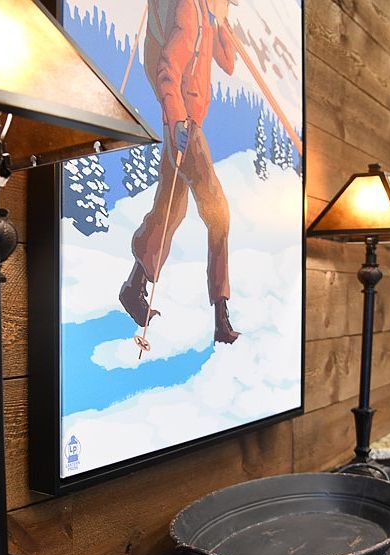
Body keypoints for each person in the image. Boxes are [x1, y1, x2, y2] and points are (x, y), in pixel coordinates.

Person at [120, 0, 240, 344]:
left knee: (170, 209)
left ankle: (133, 287)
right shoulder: (188, 9)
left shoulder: (207, 16)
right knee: (218, 214)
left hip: (186, 123)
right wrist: (177, 122)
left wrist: (222, 23)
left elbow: (228, 63)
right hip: (185, 126)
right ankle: (221, 316)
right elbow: (167, 69)